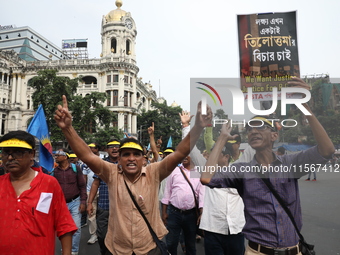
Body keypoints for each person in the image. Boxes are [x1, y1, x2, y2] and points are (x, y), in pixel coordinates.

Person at [54, 95, 212, 255]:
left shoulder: (154, 172)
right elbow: (87, 155)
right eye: (126, 154)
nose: (131, 158)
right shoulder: (111, 173)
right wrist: (67, 129)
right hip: (116, 249)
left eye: (136, 154)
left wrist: (198, 126)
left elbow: (180, 152)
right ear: (119, 160)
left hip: (149, 248)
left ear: (144, 159)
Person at [201, 77, 335, 255]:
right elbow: (206, 178)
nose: (253, 131)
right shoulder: (242, 170)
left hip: (294, 250)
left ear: (273, 136)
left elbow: (327, 150)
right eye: (249, 129)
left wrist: (305, 107)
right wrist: (222, 137)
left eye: (260, 126)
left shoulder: (290, 164)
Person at [181, 111, 248, 255]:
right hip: (213, 230)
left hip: (236, 229)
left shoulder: (240, 169)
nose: (214, 155)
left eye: (218, 153)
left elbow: (255, 152)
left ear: (226, 156)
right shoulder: (207, 169)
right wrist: (186, 126)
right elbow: (191, 149)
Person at [0, 131, 77, 255]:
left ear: (32, 154)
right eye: (6, 152)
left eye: (18, 152)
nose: (10, 158)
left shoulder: (49, 183)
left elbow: (64, 225)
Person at [161, 155, 205, 255]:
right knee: (171, 243)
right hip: (174, 213)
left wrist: (201, 213)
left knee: (190, 244)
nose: (184, 157)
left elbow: (201, 194)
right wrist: (164, 213)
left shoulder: (197, 172)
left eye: (188, 154)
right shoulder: (175, 171)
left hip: (191, 215)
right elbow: (167, 192)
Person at [87, 139, 120, 255]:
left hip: (122, 208)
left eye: (117, 146)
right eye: (111, 146)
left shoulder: (125, 164)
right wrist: (90, 202)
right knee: (102, 236)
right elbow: (96, 183)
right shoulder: (102, 164)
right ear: (107, 150)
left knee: (121, 238)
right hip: (104, 206)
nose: (114, 148)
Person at [52, 148, 87, 255]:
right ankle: (65, 249)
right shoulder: (54, 171)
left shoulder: (75, 169)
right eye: (55, 155)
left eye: (58, 154)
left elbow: (82, 186)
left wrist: (83, 202)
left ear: (66, 156)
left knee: (76, 228)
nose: (56, 156)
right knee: (64, 229)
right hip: (61, 204)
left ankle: (74, 250)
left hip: (75, 202)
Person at [82, 143, 101, 244]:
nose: (90, 149)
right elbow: (84, 177)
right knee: (91, 214)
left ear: (97, 149)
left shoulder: (103, 159)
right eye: (89, 148)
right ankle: (93, 235)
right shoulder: (86, 163)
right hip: (90, 191)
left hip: (102, 191)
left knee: (104, 213)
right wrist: (84, 192)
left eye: (92, 148)